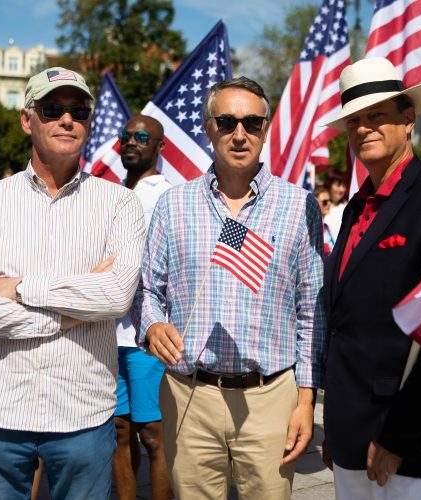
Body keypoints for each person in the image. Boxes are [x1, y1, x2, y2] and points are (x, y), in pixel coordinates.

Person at [131, 76, 326, 500]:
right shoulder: (173, 204)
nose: (240, 134)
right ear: (208, 128)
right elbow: (147, 290)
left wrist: (306, 400)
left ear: (265, 128)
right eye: (227, 121)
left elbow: (312, 312)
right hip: (189, 395)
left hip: (270, 395)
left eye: (252, 123)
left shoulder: (299, 206)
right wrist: (151, 326)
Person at [0, 67, 145, 499]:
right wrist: (69, 313)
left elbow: (117, 295)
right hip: (0, 413)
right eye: (52, 109)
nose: (67, 120)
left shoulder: (119, 203)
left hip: (82, 415)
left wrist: (21, 287)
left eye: (78, 111)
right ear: (28, 120)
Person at [322, 57, 421, 500]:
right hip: (351, 440)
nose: (364, 128)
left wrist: (399, 437)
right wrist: (339, 427)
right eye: (355, 120)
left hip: (414, 446)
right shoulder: (353, 211)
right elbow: (345, 323)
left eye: (378, 114)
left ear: (408, 119)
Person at [113, 115, 172, 500]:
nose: (131, 142)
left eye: (142, 136)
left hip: (148, 334)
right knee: (119, 429)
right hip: (106, 330)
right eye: (126, 136)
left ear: (160, 147)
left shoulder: (168, 195)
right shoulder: (109, 194)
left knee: (153, 433)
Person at [323, 169, 347, 240]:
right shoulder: (319, 205)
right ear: (329, 185)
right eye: (338, 185)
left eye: (344, 186)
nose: (341, 189)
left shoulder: (348, 207)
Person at [315, 185, 335, 258]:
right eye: (325, 202)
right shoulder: (311, 228)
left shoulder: (326, 227)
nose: (329, 204)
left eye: (330, 200)